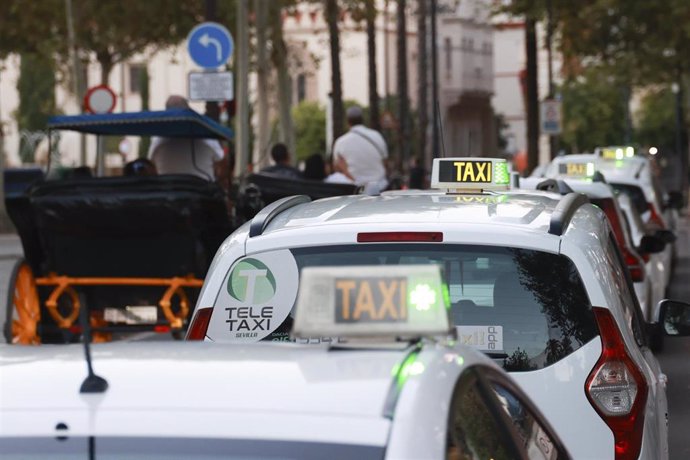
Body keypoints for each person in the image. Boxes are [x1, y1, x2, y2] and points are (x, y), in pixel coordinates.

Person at [147, 95, 224, 180]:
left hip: (168, 189)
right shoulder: (207, 138)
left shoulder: (157, 141)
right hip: (201, 189)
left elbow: (151, 164)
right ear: (187, 112)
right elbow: (221, 162)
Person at [331, 106, 388, 194]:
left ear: (348, 121)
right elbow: (385, 162)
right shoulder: (377, 136)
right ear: (362, 119)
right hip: (380, 188)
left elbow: (338, 168)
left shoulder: (340, 142)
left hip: (354, 190)